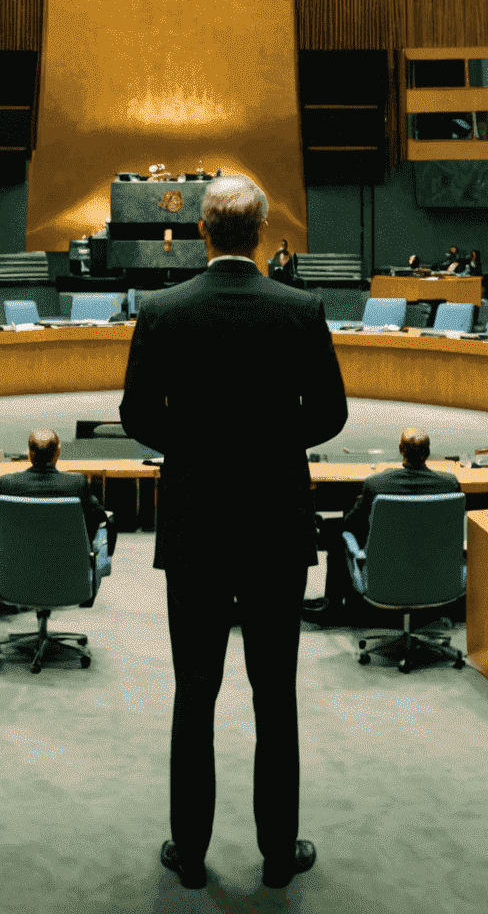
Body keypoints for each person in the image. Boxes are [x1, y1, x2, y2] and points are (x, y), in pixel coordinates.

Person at [120, 174, 347, 891]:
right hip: (277, 524)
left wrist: (193, 448)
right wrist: (275, 445)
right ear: (263, 233)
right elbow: (331, 413)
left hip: (194, 524)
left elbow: (135, 415)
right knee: (274, 696)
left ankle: (190, 856)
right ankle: (278, 856)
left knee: (195, 693)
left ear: (202, 232)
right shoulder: (300, 309)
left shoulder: (162, 310)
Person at [317, 428, 461, 620]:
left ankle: (333, 609)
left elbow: (350, 523)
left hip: (385, 581)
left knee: (338, 535)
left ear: (401, 450)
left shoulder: (376, 484)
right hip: (435, 580)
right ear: (427, 453)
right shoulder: (449, 484)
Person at [0, 428, 116, 573]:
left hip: (20, 574)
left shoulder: (8, 483)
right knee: (109, 519)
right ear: (58, 452)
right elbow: (99, 517)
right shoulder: (77, 483)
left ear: (29, 454)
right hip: (69, 573)